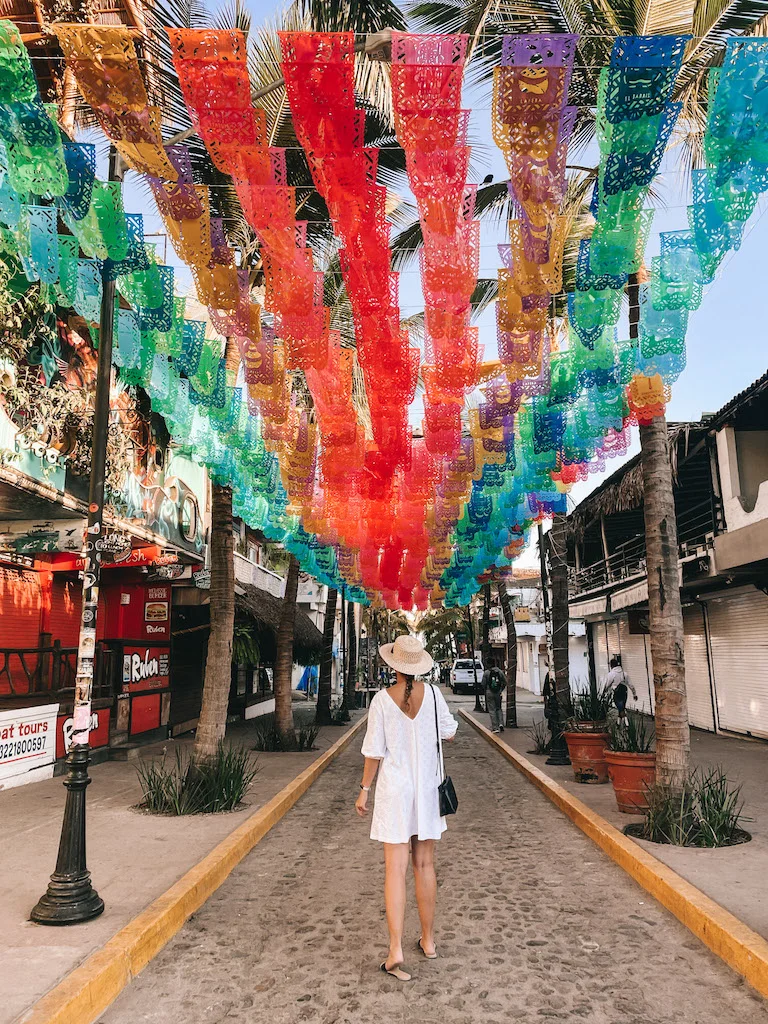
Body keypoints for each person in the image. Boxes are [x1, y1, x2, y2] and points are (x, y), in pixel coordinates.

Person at [355, 633, 458, 982]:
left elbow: (374, 752)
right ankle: (428, 941)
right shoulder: (433, 696)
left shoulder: (381, 701)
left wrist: (364, 790)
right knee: (425, 864)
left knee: (394, 870)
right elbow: (450, 732)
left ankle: (396, 948)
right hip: (427, 789)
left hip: (394, 792)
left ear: (393, 666)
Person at [605, 655, 637, 726]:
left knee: (621, 708)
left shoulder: (611, 674)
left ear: (611, 665)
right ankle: (618, 723)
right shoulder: (624, 674)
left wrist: (604, 692)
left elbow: (607, 685)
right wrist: (634, 694)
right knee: (622, 707)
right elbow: (631, 685)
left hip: (616, 693)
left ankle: (627, 724)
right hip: (624, 692)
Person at [482, 662, 506, 734]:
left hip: (489, 692)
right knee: (499, 708)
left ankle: (495, 727)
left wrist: (485, 691)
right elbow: (504, 682)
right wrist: (501, 689)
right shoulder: (500, 671)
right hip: (498, 692)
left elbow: (483, 683)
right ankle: (501, 724)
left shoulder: (486, 673)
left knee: (492, 710)